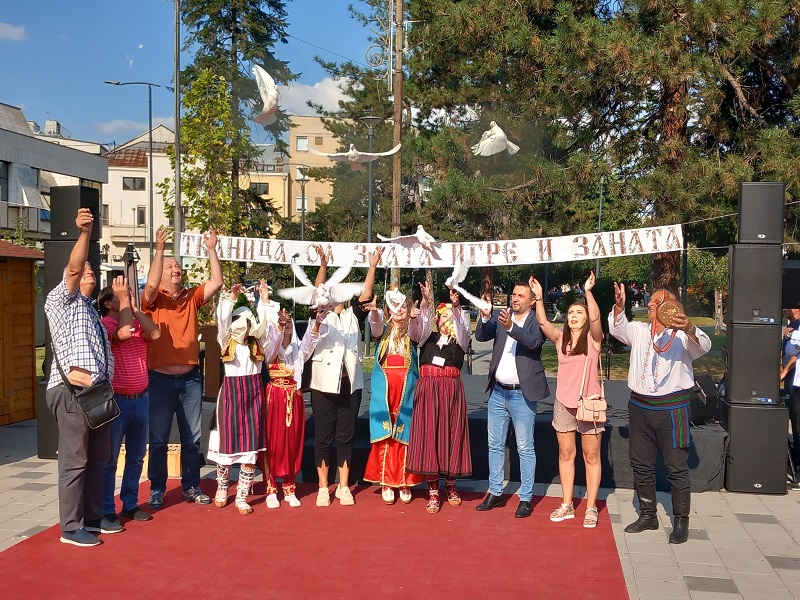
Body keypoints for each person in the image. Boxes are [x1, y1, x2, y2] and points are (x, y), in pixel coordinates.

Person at [609, 284, 711, 544]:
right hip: (640, 406)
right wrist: (619, 306)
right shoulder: (640, 330)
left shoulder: (682, 337)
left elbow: (706, 345)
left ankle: (681, 520)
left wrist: (687, 327)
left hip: (672, 408)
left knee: (676, 465)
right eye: (651, 302)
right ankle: (647, 515)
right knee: (640, 463)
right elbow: (618, 328)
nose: (651, 306)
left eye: (657, 303)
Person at [44, 208, 121, 546]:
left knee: (98, 458)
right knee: (75, 460)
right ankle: (70, 527)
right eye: (84, 269)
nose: (88, 270)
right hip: (72, 390)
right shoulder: (61, 301)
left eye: (93, 268)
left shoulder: (91, 310)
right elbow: (74, 267)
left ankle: (91, 517)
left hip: (97, 394)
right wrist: (86, 234)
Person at [142, 226, 224, 509]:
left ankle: (190, 485)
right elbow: (151, 286)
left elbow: (217, 281)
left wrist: (211, 249)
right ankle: (157, 489)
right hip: (160, 380)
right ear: (162, 273)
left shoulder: (191, 296)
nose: (177, 269)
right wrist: (160, 249)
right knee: (159, 438)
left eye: (178, 266)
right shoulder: (152, 301)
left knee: (192, 438)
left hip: (190, 379)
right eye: (171, 267)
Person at [309, 245, 382, 507]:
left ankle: (343, 487)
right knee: (323, 437)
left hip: (350, 384)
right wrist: (324, 266)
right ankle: (322, 487)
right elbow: (319, 289)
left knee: (345, 437)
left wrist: (372, 267)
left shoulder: (353, 315)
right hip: (323, 384)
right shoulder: (321, 314)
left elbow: (367, 294)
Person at [531, 272, 604, 528]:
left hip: (589, 403)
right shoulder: (561, 340)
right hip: (564, 403)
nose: (574, 316)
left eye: (579, 313)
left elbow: (596, 318)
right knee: (565, 453)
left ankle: (592, 506)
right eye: (571, 313)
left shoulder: (594, 340)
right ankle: (567, 503)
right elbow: (543, 324)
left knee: (591, 456)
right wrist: (539, 298)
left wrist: (588, 292)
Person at [474, 282, 550, 519]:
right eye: (514, 294)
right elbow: (481, 335)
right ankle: (496, 492)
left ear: (532, 301)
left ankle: (525, 498)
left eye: (521, 295)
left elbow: (534, 343)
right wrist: (486, 318)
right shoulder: (502, 316)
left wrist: (511, 328)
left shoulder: (536, 320)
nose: (515, 298)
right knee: (494, 444)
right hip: (498, 392)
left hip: (522, 394)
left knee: (525, 448)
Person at [209, 281, 277, 515]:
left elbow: (270, 328)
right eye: (239, 321)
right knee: (227, 448)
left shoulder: (259, 344)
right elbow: (222, 321)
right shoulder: (225, 340)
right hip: (231, 395)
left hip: (252, 395)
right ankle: (221, 488)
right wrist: (230, 297)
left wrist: (265, 301)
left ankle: (242, 496)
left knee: (250, 449)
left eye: (247, 322)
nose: (242, 326)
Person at [99, 276, 161, 525]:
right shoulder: (106, 323)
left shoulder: (135, 320)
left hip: (141, 398)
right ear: (107, 303)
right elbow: (122, 334)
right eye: (118, 294)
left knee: (136, 456)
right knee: (110, 459)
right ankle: (105, 508)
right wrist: (126, 302)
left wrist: (135, 308)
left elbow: (155, 333)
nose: (124, 295)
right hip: (118, 401)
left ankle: (130, 503)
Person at [407, 283, 473, 513]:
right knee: (430, 436)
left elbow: (464, 329)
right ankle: (433, 489)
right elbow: (417, 330)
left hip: (451, 391)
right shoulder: (427, 337)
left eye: (450, 318)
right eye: (443, 317)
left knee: (452, 435)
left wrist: (456, 307)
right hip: (429, 390)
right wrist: (424, 303)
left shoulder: (460, 341)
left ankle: (451, 485)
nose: (447, 322)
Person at [364, 288, 425, 504]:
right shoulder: (383, 331)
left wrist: (419, 316)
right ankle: (387, 481)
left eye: (403, 307)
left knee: (404, 434)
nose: (399, 311)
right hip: (386, 390)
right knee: (386, 435)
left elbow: (419, 334)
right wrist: (373, 312)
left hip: (406, 389)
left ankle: (404, 480)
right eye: (394, 307)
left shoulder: (411, 331)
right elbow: (376, 324)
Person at [263, 304, 326, 509]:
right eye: (282, 323)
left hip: (294, 397)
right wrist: (279, 330)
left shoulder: (297, 352)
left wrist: (316, 323)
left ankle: (290, 487)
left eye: (289, 322)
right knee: (273, 441)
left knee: (293, 441)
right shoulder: (270, 349)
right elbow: (275, 348)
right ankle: (271, 487)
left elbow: (308, 343)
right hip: (275, 398)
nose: (287, 325)